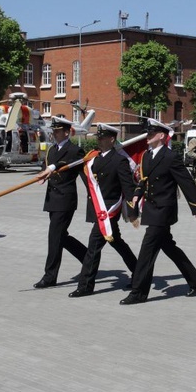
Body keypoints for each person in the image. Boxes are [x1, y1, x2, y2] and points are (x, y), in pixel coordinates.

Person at [120, 118, 196, 305]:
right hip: (151, 208)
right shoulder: (146, 156)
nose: (148, 137)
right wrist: (137, 194)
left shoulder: (170, 157)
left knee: (147, 250)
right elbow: (143, 179)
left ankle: (138, 292)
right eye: (147, 133)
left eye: (151, 134)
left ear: (161, 136)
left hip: (164, 210)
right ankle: (195, 280)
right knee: (169, 247)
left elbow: (187, 183)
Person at [69, 124, 139, 297]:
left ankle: (85, 285)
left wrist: (132, 211)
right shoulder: (95, 159)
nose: (98, 140)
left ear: (112, 139)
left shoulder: (119, 160)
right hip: (97, 208)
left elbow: (128, 187)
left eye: (102, 137)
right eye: (98, 137)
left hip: (109, 211)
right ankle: (139, 272)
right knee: (117, 242)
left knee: (93, 246)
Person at [32, 116, 88, 289]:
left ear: (66, 132)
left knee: (54, 237)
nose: (54, 134)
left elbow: (72, 165)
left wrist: (52, 168)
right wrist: (42, 174)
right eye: (53, 131)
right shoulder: (51, 150)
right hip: (52, 199)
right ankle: (89, 258)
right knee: (61, 236)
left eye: (57, 131)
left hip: (65, 199)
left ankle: (50, 276)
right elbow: (46, 166)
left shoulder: (75, 150)